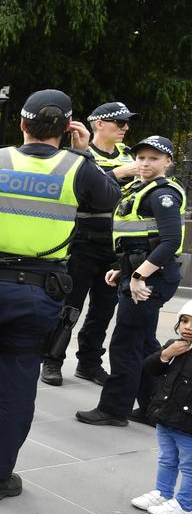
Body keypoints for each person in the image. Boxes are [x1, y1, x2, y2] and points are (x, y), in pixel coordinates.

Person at [0, 89, 120, 503]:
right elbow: (112, 200)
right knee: (15, 384)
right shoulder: (79, 168)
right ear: (69, 127)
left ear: (20, 123)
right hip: (39, 293)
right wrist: (85, 153)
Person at [77, 136, 185, 426]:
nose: (145, 163)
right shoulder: (139, 189)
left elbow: (170, 241)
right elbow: (135, 239)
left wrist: (138, 276)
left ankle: (114, 409)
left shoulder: (163, 194)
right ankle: (153, 406)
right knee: (145, 341)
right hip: (139, 272)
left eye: (154, 158)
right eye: (141, 158)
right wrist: (121, 268)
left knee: (125, 342)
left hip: (150, 277)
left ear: (168, 162)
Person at [41, 102, 141, 387]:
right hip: (81, 241)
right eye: (120, 123)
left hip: (113, 245)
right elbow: (79, 190)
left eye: (127, 123)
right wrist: (119, 175)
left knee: (103, 309)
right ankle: (52, 360)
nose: (125, 128)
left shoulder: (130, 156)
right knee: (68, 305)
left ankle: (89, 363)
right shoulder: (79, 156)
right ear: (100, 124)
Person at [131, 300, 192, 514]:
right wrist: (166, 353)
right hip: (166, 416)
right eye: (184, 321)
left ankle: (186, 506)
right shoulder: (175, 346)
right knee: (167, 459)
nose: (188, 327)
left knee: (189, 465)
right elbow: (150, 367)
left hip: (188, 424)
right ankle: (163, 493)